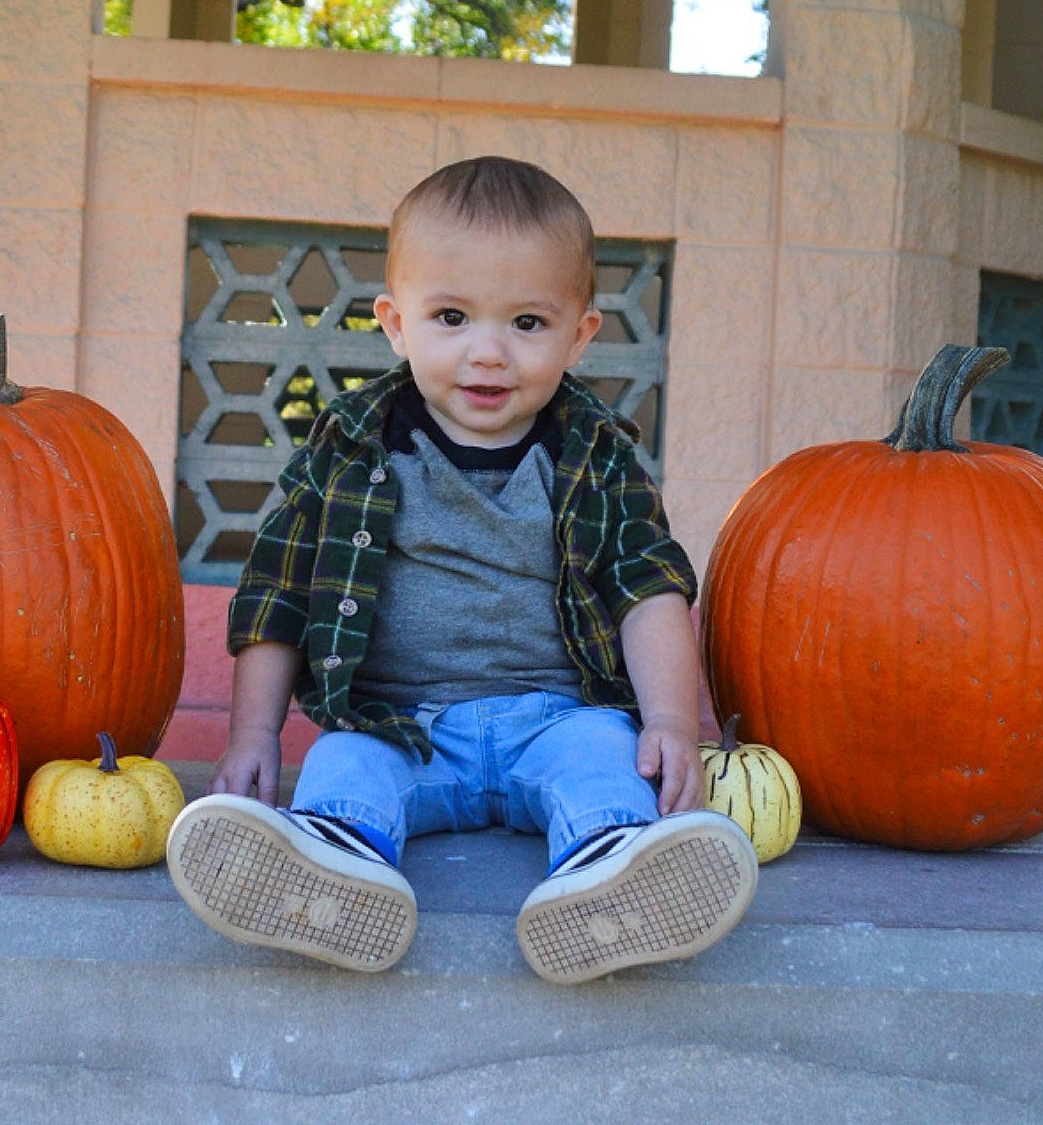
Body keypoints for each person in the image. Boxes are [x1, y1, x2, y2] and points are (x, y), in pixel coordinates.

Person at [165, 155, 756, 985]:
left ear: (580, 334)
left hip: (558, 716)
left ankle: (610, 882)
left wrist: (668, 719)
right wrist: (251, 736)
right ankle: (330, 874)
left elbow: (645, 587)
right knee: (341, 768)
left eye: (526, 324)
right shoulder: (352, 445)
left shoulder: (593, 453)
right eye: (451, 317)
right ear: (395, 323)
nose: (488, 353)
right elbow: (281, 593)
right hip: (403, 724)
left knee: (607, 766)